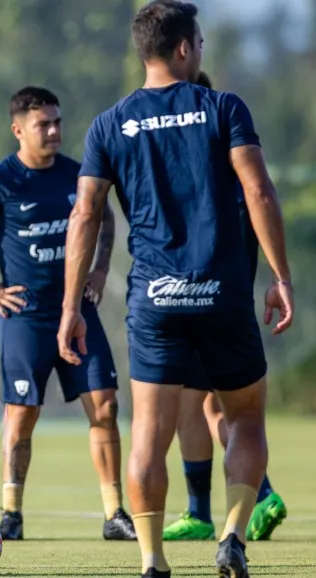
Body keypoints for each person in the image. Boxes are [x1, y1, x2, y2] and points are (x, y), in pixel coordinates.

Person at [58, 1, 294, 576]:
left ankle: (152, 560)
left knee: (148, 437)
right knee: (244, 419)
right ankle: (232, 534)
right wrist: (281, 278)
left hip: (155, 301)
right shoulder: (223, 108)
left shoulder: (110, 124)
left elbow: (84, 214)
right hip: (224, 295)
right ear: (185, 47)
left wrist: (70, 307)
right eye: (201, 43)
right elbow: (259, 193)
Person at [0, 86, 137, 543]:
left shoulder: (77, 174)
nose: (52, 131)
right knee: (22, 415)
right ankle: (11, 512)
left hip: (79, 313)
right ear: (17, 130)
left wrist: (102, 268)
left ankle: (114, 514)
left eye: (57, 122)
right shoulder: (1, 181)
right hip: (26, 319)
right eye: (42, 124)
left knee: (105, 406)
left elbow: (104, 219)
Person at [163, 71, 289, 544]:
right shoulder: (235, 165)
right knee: (217, 405)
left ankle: (229, 504)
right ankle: (250, 499)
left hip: (197, 298)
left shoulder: (203, 179)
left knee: (191, 403)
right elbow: (260, 203)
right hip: (232, 297)